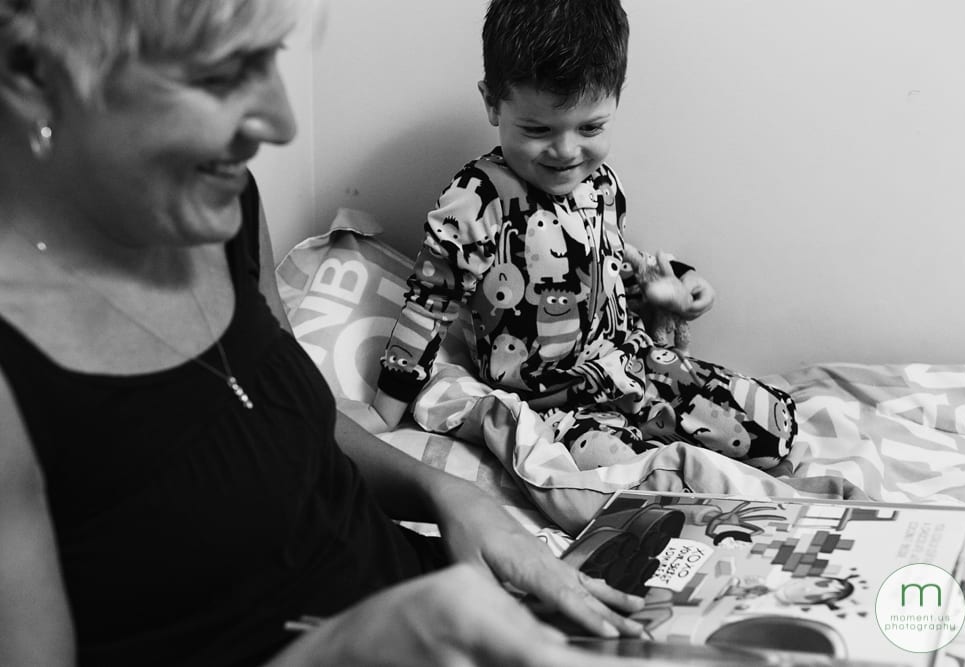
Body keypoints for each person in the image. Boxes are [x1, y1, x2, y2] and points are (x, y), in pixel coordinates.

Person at [0, 1, 664, 665]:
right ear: (35, 76)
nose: (281, 121)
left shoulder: (220, 204)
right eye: (218, 75)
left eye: (268, 61)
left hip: (427, 604)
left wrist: (448, 494)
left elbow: (288, 421)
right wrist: (344, 646)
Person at [368, 0, 797, 471]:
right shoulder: (475, 201)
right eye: (538, 129)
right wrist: (380, 418)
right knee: (633, 475)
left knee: (774, 428)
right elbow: (429, 305)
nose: (566, 151)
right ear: (492, 102)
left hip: (632, 366)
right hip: (552, 402)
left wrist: (674, 285)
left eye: (590, 127)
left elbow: (607, 269)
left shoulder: (603, 186)